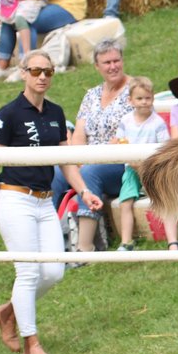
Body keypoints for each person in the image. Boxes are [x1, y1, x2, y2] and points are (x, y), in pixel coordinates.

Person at [0, 50, 101, 354]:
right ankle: (32, 344)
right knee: (28, 271)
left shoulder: (56, 113)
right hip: (15, 198)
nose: (42, 76)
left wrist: (83, 190)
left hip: (44, 202)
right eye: (36, 71)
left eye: (48, 71)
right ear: (23, 73)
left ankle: (8, 312)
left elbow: (65, 160)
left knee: (55, 272)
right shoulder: (9, 113)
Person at [50, 39, 132, 255]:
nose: (113, 66)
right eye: (106, 62)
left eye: (116, 60)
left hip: (121, 162)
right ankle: (50, 237)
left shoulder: (135, 90)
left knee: (90, 172)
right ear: (97, 66)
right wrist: (77, 159)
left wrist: (90, 162)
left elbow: (128, 134)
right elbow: (78, 134)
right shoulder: (91, 95)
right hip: (89, 160)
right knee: (59, 172)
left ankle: (86, 247)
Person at [111, 76, 170, 251]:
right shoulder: (126, 120)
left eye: (147, 98)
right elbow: (119, 141)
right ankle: (126, 241)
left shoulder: (157, 123)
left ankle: (171, 240)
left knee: (163, 197)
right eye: (139, 98)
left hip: (151, 169)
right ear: (131, 101)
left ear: (152, 98)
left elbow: (163, 148)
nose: (144, 102)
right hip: (130, 168)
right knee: (125, 201)